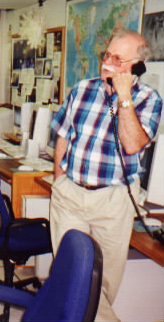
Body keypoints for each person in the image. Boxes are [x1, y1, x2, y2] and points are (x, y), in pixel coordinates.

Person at [49, 30, 162, 321]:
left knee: (103, 283)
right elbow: (63, 135)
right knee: (68, 272)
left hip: (113, 200)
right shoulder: (83, 89)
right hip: (71, 193)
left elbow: (133, 144)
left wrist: (124, 97)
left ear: (136, 66)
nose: (107, 62)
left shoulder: (149, 100)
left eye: (117, 58)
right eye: (106, 55)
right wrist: (59, 179)